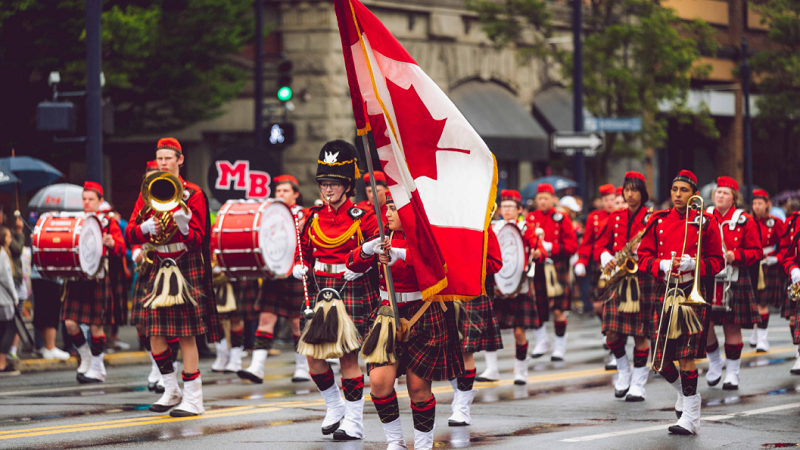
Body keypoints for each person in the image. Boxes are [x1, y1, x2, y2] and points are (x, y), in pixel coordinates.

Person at [347, 190, 464, 450]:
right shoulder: (382, 235)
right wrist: (367, 249)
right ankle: (395, 443)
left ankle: (422, 445)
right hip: (387, 315)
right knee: (379, 384)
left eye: (392, 208)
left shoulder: (426, 237)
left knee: (418, 387)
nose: (386, 213)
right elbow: (351, 265)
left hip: (422, 314)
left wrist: (402, 254)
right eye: (386, 207)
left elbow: (439, 266)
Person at [125, 137, 222, 416]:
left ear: (180, 160)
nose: (163, 163)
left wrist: (183, 223)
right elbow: (130, 231)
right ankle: (171, 389)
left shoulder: (194, 194)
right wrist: (144, 228)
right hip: (159, 262)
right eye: (160, 158)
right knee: (154, 333)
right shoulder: (147, 192)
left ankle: (194, 399)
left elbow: (200, 238)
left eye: (168, 158)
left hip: (185, 262)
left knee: (186, 335)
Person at [291, 140, 379, 440]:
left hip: (350, 288)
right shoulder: (313, 217)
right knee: (313, 357)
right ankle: (334, 405)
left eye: (334, 184)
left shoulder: (363, 216)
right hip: (320, 290)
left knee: (348, 359)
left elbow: (377, 249)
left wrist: (363, 258)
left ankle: (354, 422)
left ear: (347, 186)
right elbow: (303, 249)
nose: (328, 190)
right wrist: (298, 265)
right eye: (324, 184)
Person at [637, 169, 724, 435]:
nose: (677, 195)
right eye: (674, 190)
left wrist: (694, 263)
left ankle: (691, 416)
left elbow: (718, 262)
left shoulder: (706, 222)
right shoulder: (658, 220)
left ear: (694, 195)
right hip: (665, 290)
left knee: (686, 355)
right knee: (661, 361)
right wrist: (660, 263)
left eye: (683, 190)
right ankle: (686, 397)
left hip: (692, 293)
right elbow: (642, 257)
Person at [238, 174, 311, 383]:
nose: (280, 194)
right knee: (265, 319)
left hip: (296, 273)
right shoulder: (269, 214)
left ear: (296, 194)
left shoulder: (304, 214)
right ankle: (257, 367)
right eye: (278, 191)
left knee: (297, 324)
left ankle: (302, 368)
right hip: (274, 274)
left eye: (285, 191)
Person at [594, 172, 654, 401]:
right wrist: (605, 256)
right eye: (626, 190)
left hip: (642, 279)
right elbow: (600, 244)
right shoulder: (616, 217)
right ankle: (623, 370)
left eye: (634, 190)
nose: (629, 194)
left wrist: (644, 254)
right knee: (611, 332)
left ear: (642, 192)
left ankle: (638, 383)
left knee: (640, 334)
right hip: (618, 278)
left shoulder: (652, 217)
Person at [61, 182, 126, 383]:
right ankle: (86, 356)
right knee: (70, 322)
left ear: (100, 201)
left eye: (91, 199)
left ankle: (98, 368)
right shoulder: (76, 221)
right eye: (84, 199)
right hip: (78, 278)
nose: (87, 202)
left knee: (97, 326)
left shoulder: (107, 222)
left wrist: (112, 243)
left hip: (98, 278)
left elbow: (122, 248)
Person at [704, 177, 762, 391]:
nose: (720, 195)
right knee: (704, 325)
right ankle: (715, 362)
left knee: (731, 326)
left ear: (734, 198)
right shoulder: (704, 216)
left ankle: (733, 373)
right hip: (708, 277)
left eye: (725, 193)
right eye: (718, 192)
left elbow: (756, 252)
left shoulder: (745, 220)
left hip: (734, 277)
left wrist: (734, 255)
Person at [485, 190, 546, 384]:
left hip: (520, 285)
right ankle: (492, 369)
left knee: (519, 332)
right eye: (504, 206)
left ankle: (521, 370)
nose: (507, 210)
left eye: (511, 206)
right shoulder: (494, 227)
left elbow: (541, 250)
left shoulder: (526, 228)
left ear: (519, 209)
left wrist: (538, 254)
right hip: (497, 285)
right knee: (490, 330)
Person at [450, 224, 503, 426]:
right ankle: (460, 395)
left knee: (465, 351)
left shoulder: (481, 225)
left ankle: (463, 408)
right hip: (444, 291)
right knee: (447, 351)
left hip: (471, 291)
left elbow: (496, 262)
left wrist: (468, 264)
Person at [526, 183, 578, 360]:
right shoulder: (531, 218)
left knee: (558, 309)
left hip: (557, 267)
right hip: (538, 267)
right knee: (537, 308)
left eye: (545, 198)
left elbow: (572, 246)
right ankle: (542, 341)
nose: (542, 201)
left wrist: (551, 247)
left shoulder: (562, 218)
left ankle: (560, 346)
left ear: (553, 199)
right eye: (539, 198)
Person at [749, 189, 785, 353]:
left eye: (760, 203)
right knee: (754, 303)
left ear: (767, 204)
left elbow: (784, 245)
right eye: (754, 203)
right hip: (750, 264)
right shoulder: (747, 221)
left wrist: (777, 258)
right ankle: (756, 333)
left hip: (767, 265)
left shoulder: (775, 222)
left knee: (762, 303)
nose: (757, 207)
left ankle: (762, 340)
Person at [575, 184, 616, 322]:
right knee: (597, 303)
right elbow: (587, 242)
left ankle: (612, 331)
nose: (609, 203)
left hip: (618, 262)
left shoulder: (622, 215)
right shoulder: (594, 217)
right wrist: (581, 261)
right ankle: (606, 327)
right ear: (601, 202)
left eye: (612, 199)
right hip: (598, 263)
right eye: (606, 200)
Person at [0, 228, 20, 376]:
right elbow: (7, 279)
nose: (10, 239)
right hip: (4, 299)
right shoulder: (2, 255)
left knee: (2, 329)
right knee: (11, 328)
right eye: (8, 236)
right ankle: (1, 363)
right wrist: (15, 297)